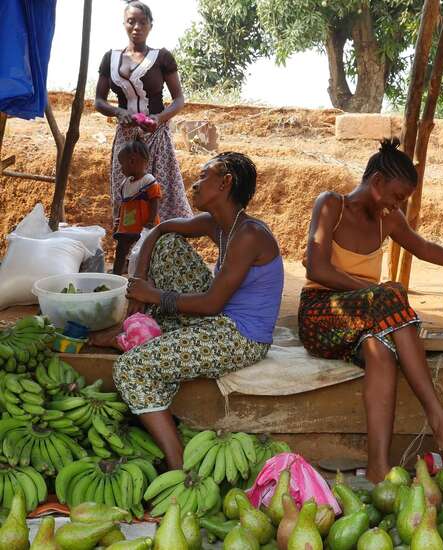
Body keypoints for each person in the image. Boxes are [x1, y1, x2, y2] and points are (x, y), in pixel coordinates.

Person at [299, 138, 443, 483]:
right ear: (377, 182)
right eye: (396, 196)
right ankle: (439, 418)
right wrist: (375, 293)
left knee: (380, 350)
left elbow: (424, 248)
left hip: (367, 319)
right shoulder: (331, 205)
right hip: (322, 314)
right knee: (392, 293)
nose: (398, 206)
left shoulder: (389, 219)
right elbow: (316, 270)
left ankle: (379, 468)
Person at [93, 152, 284, 470]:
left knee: (131, 369)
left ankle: (177, 465)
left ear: (225, 183)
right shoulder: (218, 225)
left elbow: (211, 303)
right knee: (168, 245)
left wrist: (151, 294)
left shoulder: (249, 235)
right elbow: (159, 230)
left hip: (239, 336)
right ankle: (141, 326)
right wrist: (139, 281)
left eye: (203, 175)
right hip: (217, 319)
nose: (194, 184)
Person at [94, 0, 193, 229]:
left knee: (161, 194)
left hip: (156, 137)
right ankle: (128, 249)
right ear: (124, 24)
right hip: (126, 139)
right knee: (126, 192)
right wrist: (119, 112)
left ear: (150, 25)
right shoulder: (111, 58)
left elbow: (179, 99)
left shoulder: (162, 57)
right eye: (131, 21)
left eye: (142, 22)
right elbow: (99, 101)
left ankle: (162, 245)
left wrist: (159, 118)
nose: (136, 27)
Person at [113, 137, 161, 275]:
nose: (121, 168)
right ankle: (117, 274)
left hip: (144, 226)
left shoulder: (148, 181)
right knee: (121, 249)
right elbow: (124, 204)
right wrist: (118, 221)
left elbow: (154, 201)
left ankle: (142, 276)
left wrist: (151, 221)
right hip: (127, 226)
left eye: (122, 164)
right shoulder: (126, 183)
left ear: (132, 161)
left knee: (144, 252)